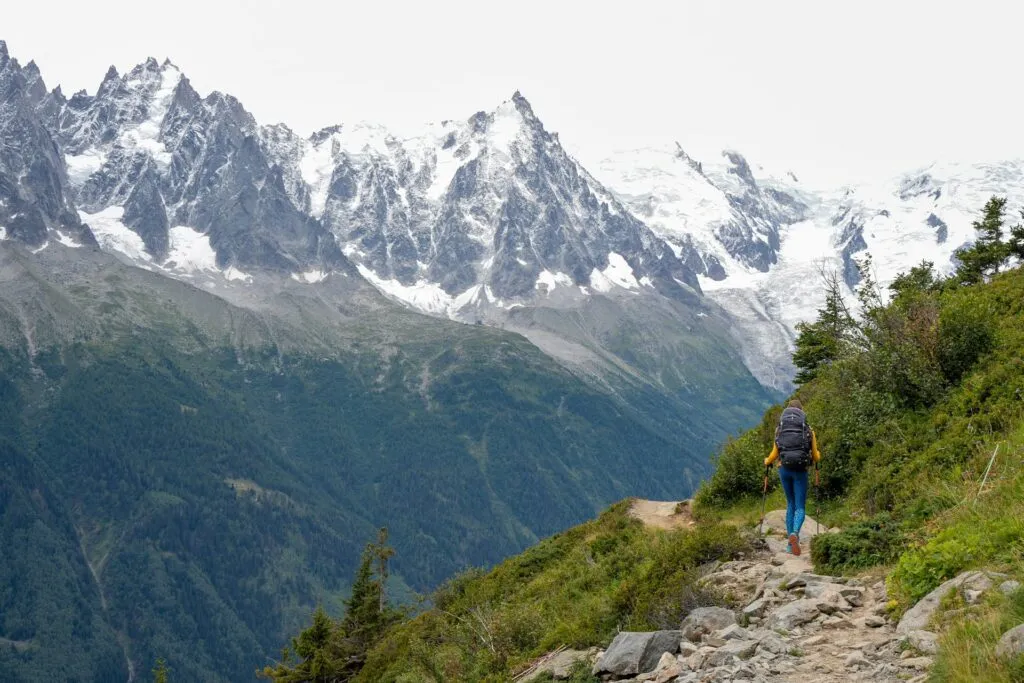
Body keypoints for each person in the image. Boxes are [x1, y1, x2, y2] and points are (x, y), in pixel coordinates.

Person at [764, 399, 821, 555]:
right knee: (800, 506)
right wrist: (818, 456)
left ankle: (790, 545)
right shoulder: (808, 431)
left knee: (790, 504)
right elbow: (815, 456)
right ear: (801, 413)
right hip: (801, 470)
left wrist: (767, 461)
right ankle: (795, 532)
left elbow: (774, 455)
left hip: (784, 469)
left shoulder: (779, 430)